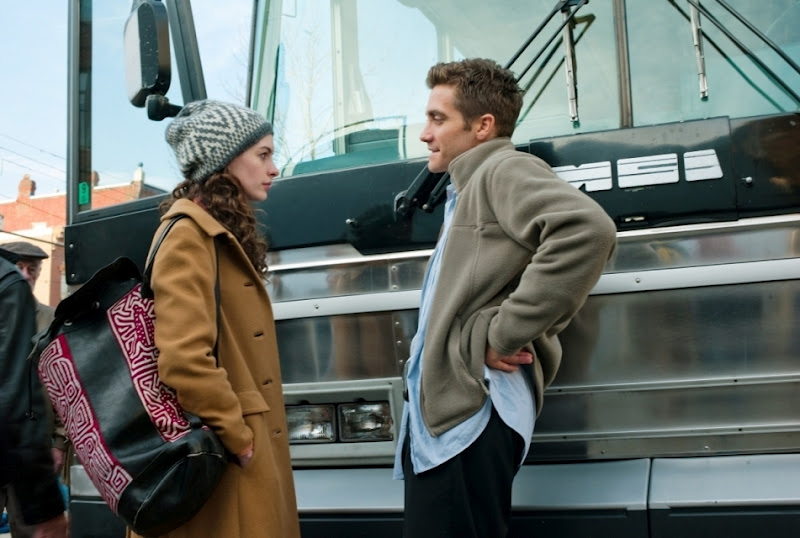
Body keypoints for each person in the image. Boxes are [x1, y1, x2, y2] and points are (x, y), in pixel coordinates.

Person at [393, 58, 617, 537]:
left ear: (483, 126)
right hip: (455, 420)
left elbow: (587, 230)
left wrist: (502, 333)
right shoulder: (467, 186)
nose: (425, 134)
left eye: (438, 119)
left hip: (470, 416)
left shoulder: (503, 169)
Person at [127, 100, 300, 538]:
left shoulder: (213, 232)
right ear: (224, 161)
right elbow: (184, 359)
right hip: (222, 455)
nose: (274, 168)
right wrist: (238, 436)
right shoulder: (189, 235)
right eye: (263, 154)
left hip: (232, 448)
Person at [0, 247, 68, 538]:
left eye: (33, 270)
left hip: (33, 449)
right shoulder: (8, 292)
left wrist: (59, 441)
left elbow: (62, 384)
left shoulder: (53, 320)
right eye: (20, 268)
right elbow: (12, 393)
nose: (26, 275)